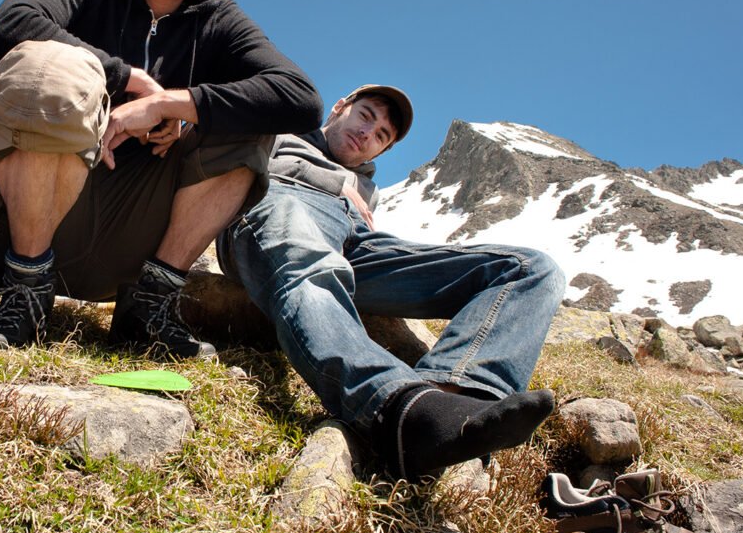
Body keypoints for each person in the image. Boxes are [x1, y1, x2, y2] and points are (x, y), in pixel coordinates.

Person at [0, 0, 322, 358]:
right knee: (49, 67)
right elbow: (9, 25)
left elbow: (301, 99)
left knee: (249, 116)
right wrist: (125, 80)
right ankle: (25, 289)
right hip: (34, 215)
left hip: (131, 235)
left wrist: (177, 104)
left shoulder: (220, 19)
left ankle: (149, 305)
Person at [219, 85, 565, 480]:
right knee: (311, 267)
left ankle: (452, 401)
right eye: (366, 116)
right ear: (339, 108)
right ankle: (394, 410)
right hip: (280, 204)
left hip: (359, 246)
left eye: (381, 136)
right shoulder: (285, 129)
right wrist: (334, 182)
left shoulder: (368, 190)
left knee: (532, 268)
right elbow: (238, 155)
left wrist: (351, 198)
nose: (369, 133)